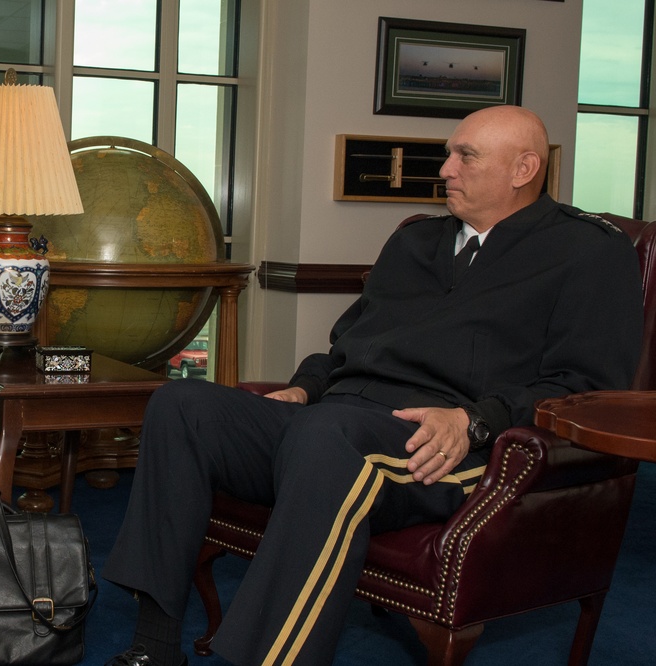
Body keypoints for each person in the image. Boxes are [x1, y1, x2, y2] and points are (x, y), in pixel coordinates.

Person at [102, 105, 645, 666]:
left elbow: (587, 387)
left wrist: (474, 419)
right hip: (334, 417)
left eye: (466, 156)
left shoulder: (588, 253)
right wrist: (305, 388)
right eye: (449, 154)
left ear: (524, 168)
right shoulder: (416, 242)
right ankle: (155, 644)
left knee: (327, 435)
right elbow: (348, 344)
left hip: (444, 444)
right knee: (181, 404)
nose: (445, 169)